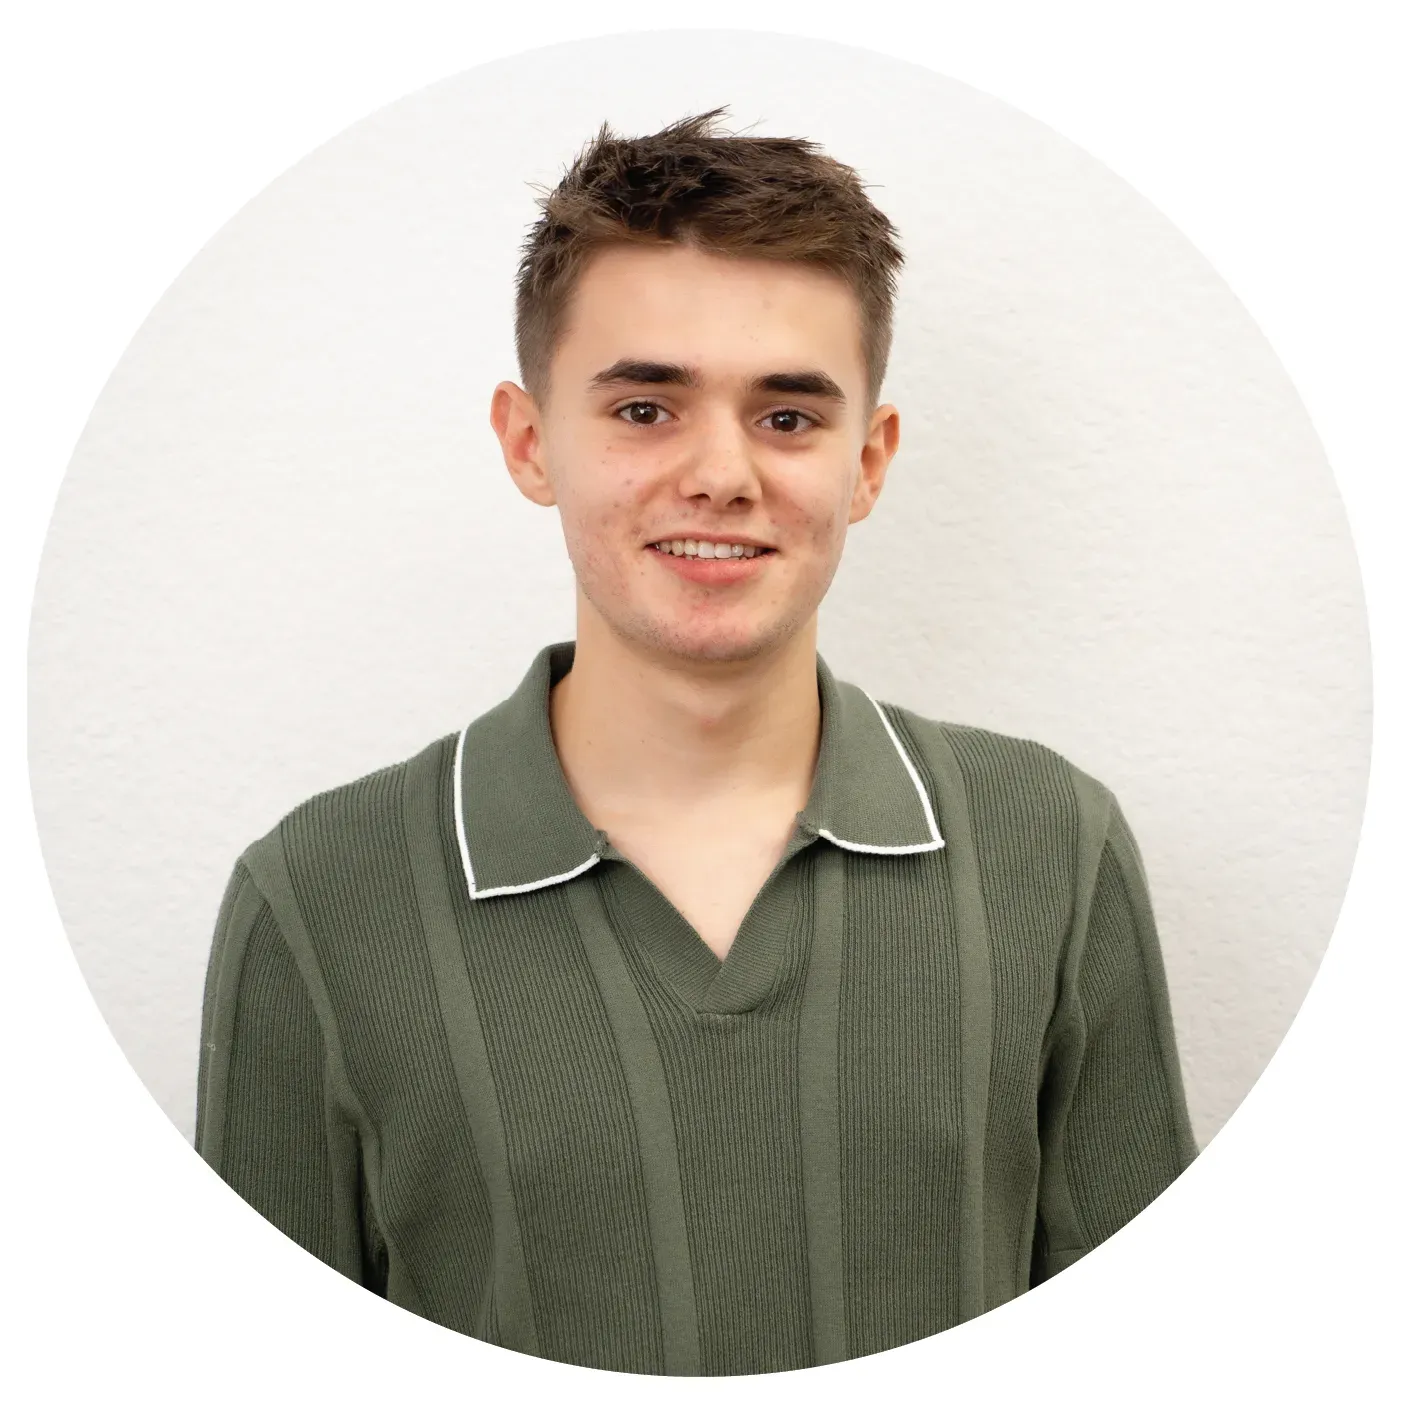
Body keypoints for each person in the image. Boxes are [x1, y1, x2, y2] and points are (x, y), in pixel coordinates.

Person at [195, 106, 1198, 1375]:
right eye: (643, 409)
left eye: (787, 418)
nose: (721, 473)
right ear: (527, 440)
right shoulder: (317, 898)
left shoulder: (1049, 848)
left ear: (868, 460)